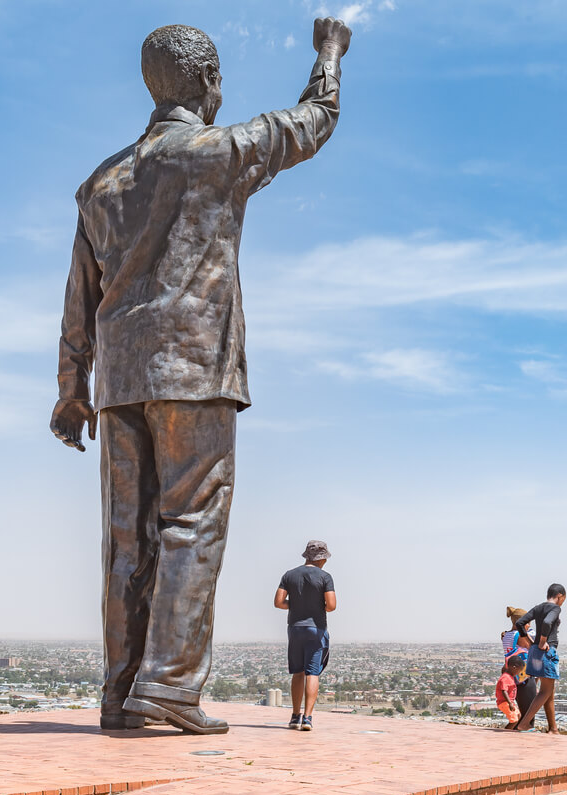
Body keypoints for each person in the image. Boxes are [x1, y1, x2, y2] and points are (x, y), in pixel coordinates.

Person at [49, 18, 352, 734]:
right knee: (191, 524)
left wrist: (70, 388)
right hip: (195, 371)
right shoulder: (223, 151)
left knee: (127, 540)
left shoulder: (100, 183)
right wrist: (330, 52)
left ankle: (121, 692)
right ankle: (169, 687)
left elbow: (78, 300)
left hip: (118, 383)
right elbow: (317, 118)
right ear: (208, 83)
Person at [275, 540, 337, 731]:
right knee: (312, 673)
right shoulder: (325, 577)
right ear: (322, 559)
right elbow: (331, 606)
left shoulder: (289, 575)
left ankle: (295, 716)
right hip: (316, 628)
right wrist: (316, 607)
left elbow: (278, 602)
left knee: (298, 672)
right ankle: (308, 718)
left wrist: (296, 605)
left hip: (295, 628)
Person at [512, 583, 566, 733]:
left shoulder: (538, 608)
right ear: (560, 596)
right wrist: (543, 641)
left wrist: (529, 641)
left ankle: (553, 728)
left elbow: (520, 622)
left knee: (549, 691)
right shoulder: (555, 608)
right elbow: (548, 622)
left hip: (534, 652)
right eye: (563, 599)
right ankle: (524, 723)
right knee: (544, 691)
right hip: (546, 653)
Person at [502, 606, 536, 729]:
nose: (529, 626)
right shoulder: (520, 635)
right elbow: (533, 647)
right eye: (527, 623)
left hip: (513, 674)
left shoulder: (506, 635)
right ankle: (527, 732)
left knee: (522, 706)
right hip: (524, 675)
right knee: (530, 708)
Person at [496, 656, 526, 726]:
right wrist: (509, 703)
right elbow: (504, 690)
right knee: (514, 720)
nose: (518, 673)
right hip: (504, 702)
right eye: (519, 670)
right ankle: (506, 734)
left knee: (518, 716)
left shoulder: (510, 676)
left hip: (509, 702)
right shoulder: (505, 677)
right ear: (514, 668)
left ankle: (510, 732)